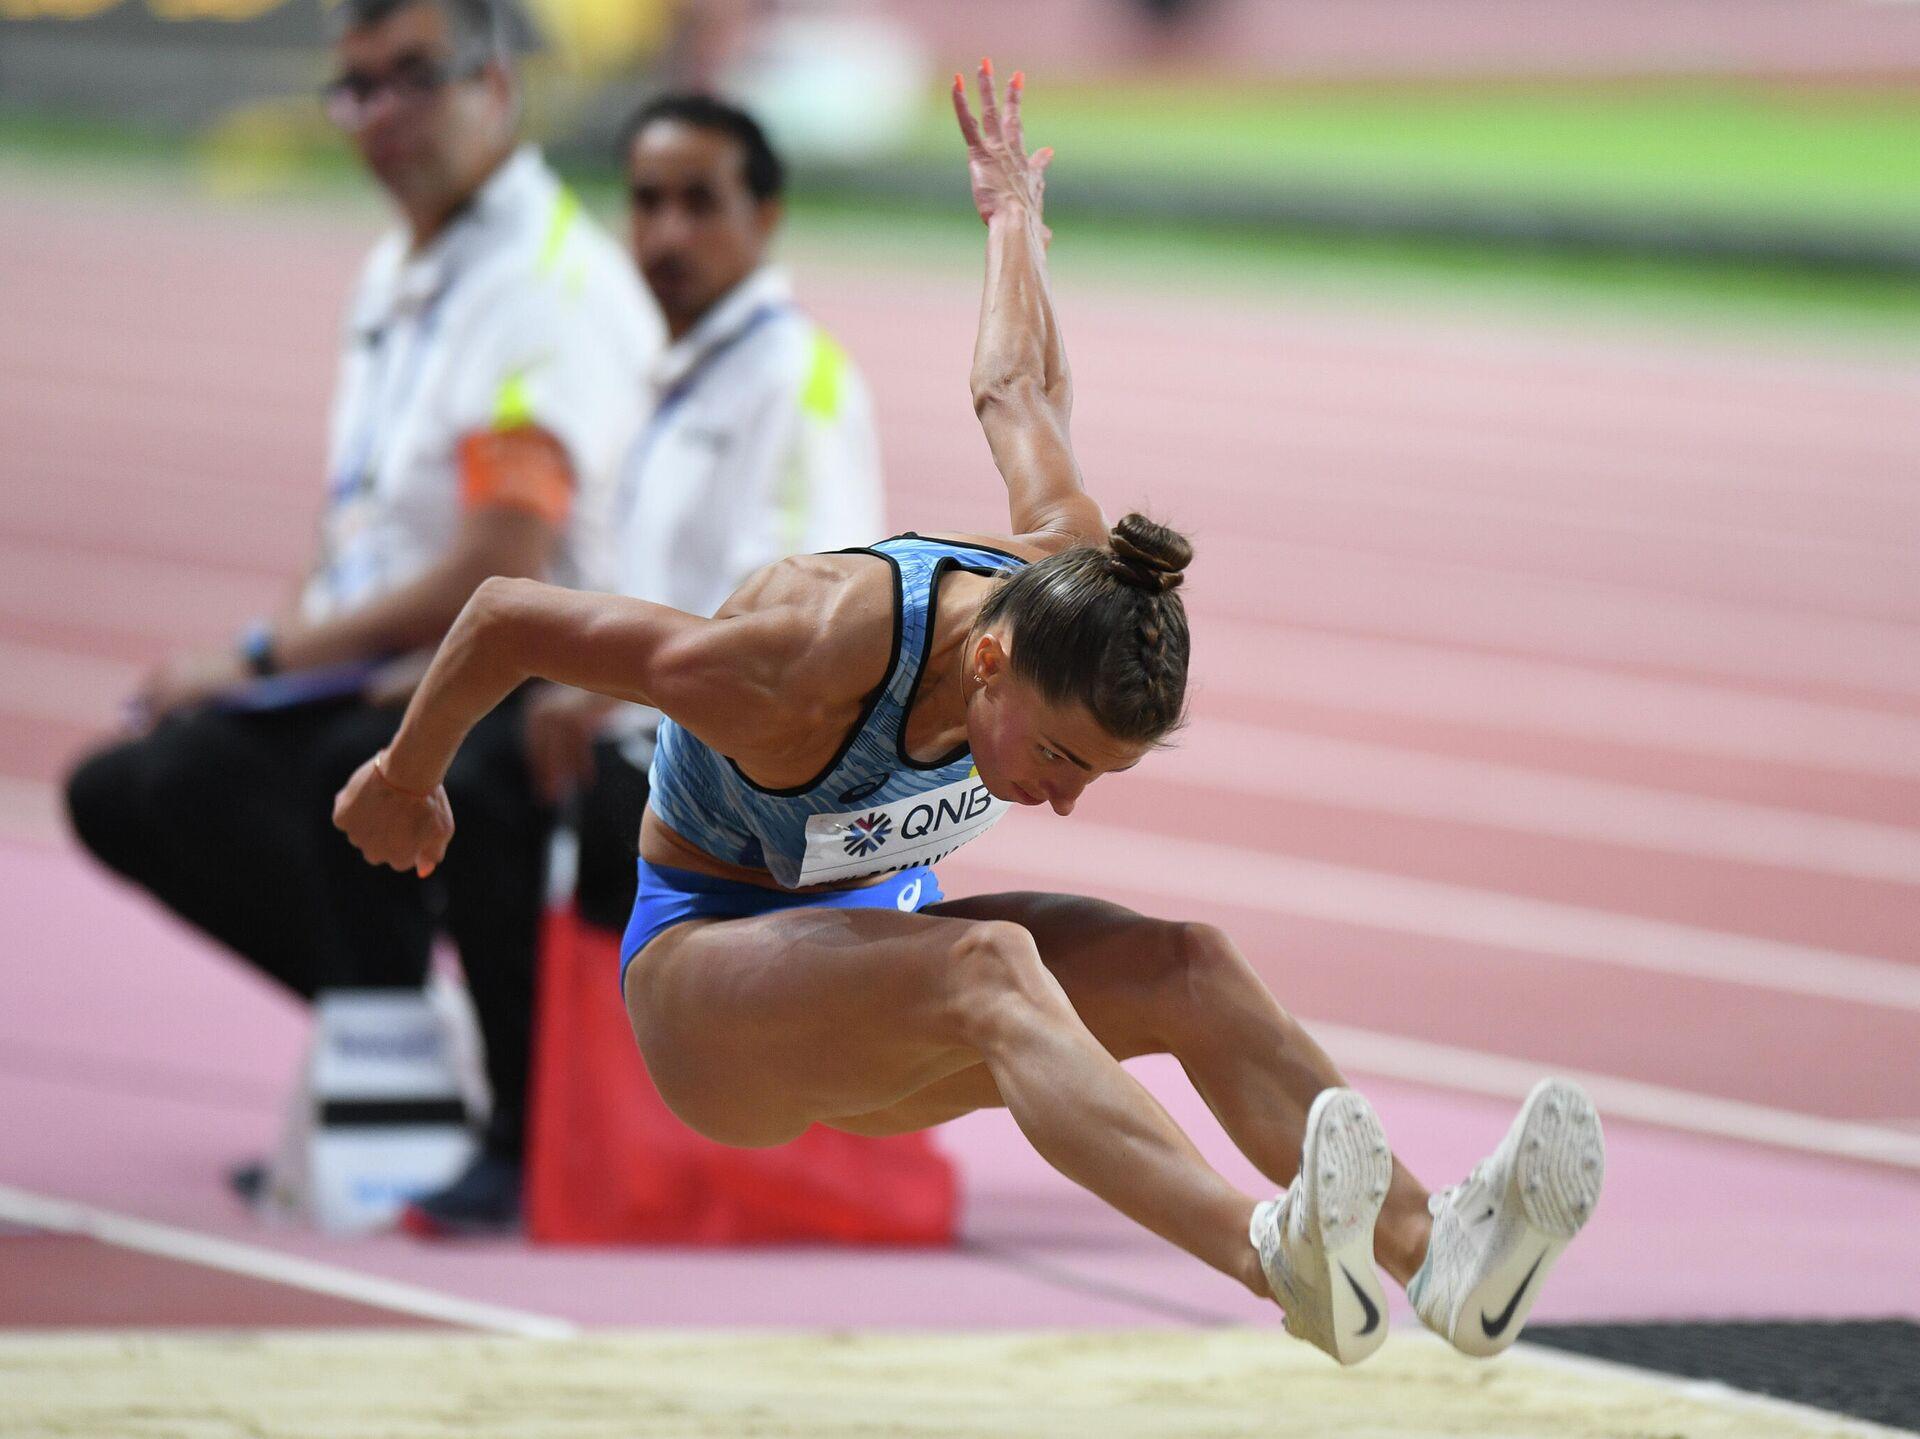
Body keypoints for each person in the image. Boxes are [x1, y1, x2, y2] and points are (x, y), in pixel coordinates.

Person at [335, 63, 1604, 1365]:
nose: (1063, 799)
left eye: (1095, 774)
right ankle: (1263, 1251)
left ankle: (1437, 1250)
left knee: (1188, 964)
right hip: (710, 995)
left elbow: (1019, 390)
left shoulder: (1068, 575)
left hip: (882, 970)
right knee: (993, 965)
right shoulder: (792, 662)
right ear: (989, 661)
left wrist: (1012, 222)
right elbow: (508, 613)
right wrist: (404, 777)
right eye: (1056, 755)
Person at [63, 0, 658, 1199]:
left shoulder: (541, 286)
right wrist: (274, 652)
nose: (382, 115)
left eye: (414, 78)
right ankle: (398, 1066)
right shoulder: (402, 267)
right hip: (391, 659)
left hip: (531, 675)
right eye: (358, 87)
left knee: (346, 767)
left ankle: (455, 1099)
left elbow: (499, 561)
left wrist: (258, 657)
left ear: (496, 86)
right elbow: (357, 521)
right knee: (135, 787)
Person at [404, 93, 886, 1235]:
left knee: (494, 788)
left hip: (763, 771)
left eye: (699, 204)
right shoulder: (677, 370)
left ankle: (536, 1137)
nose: (667, 233)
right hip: (670, 728)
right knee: (461, 759)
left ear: (765, 217)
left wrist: (603, 692)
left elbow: (804, 627)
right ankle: (529, 1117)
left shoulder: (793, 382)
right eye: (649, 203)